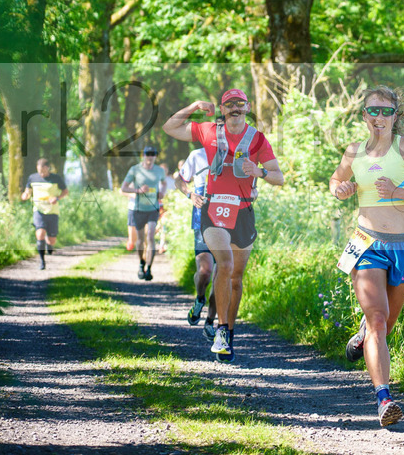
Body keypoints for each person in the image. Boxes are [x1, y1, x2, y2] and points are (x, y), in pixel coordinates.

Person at [328, 86, 404, 427]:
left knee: (385, 324)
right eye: (372, 110)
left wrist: (397, 191)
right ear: (364, 115)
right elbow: (336, 179)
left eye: (386, 111)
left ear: (396, 115)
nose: (379, 117)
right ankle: (384, 399)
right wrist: (341, 189)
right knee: (378, 319)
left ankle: (363, 335)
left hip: (403, 245)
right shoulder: (354, 152)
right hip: (366, 242)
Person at [163, 89, 284, 362]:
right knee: (225, 264)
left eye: (240, 104)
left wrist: (260, 171)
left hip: (243, 212)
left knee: (236, 278)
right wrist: (194, 105)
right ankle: (219, 330)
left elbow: (279, 177)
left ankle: (229, 333)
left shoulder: (258, 139)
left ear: (248, 107)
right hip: (214, 209)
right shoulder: (208, 131)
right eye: (229, 104)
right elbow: (170, 127)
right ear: (222, 109)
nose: (235, 108)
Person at [174, 150, 219, 340]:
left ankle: (210, 321)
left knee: (221, 277)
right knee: (205, 270)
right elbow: (179, 180)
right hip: (203, 220)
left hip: (229, 221)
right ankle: (200, 298)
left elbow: (249, 184)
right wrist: (190, 194)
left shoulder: (236, 152)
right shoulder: (197, 155)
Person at [120, 145, 167, 281]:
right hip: (138, 209)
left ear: (155, 156)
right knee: (140, 240)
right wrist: (138, 191)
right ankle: (141, 264)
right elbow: (124, 188)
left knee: (151, 236)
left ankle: (149, 269)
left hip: (153, 208)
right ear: (143, 155)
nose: (150, 157)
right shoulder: (135, 169)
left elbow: (164, 183)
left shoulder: (159, 171)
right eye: (148, 154)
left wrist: (162, 192)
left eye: (153, 154)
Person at [21, 158, 69, 270]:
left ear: (48, 168)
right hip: (38, 211)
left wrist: (57, 198)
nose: (41, 174)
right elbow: (27, 191)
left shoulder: (56, 178)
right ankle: (42, 262)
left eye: (43, 171)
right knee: (40, 234)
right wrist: (25, 195)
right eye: (39, 171)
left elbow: (65, 191)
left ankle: (49, 244)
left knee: (52, 239)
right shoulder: (32, 178)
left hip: (52, 211)